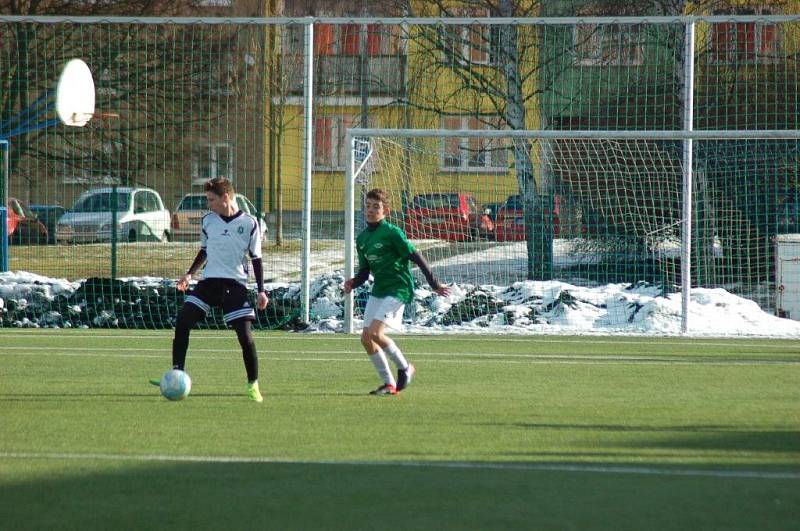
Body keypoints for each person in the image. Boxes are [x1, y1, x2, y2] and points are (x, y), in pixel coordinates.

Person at [150, 177, 269, 402]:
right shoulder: (208, 221)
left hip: (235, 286)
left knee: (246, 337)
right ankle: (177, 373)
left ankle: (253, 384)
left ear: (226, 198)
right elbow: (204, 250)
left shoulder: (250, 223)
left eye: (211, 199)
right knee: (183, 320)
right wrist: (189, 274)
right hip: (209, 283)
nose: (208, 203)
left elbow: (256, 259)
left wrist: (262, 290)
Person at [344, 188, 450, 396]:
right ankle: (389, 383)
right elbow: (365, 271)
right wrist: (353, 283)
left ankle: (405, 367)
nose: (371, 210)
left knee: (376, 333)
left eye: (376, 207)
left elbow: (416, 256)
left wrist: (434, 283)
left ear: (386, 211)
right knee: (366, 338)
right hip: (380, 289)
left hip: (399, 287)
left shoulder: (392, 232)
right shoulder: (362, 238)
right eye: (368, 206)